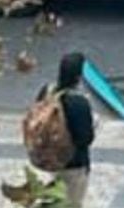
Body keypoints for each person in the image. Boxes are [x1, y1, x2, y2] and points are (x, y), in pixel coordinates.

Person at [35, 53, 95, 207]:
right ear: (79, 76)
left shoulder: (47, 91)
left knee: (50, 199)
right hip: (73, 164)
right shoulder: (79, 102)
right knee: (72, 203)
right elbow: (85, 138)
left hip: (47, 158)